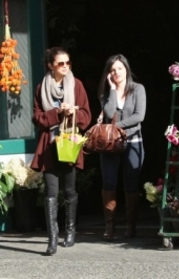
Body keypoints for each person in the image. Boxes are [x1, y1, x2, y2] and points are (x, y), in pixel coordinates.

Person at [31, 47, 92, 255]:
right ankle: (52, 238)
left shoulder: (77, 86)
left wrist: (73, 111)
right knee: (50, 192)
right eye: (60, 63)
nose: (65, 66)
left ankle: (71, 231)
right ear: (51, 66)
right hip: (49, 144)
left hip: (69, 143)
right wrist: (57, 113)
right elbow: (37, 118)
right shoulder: (41, 88)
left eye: (68, 63)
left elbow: (86, 115)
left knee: (69, 191)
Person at [97, 54, 146, 241]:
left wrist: (117, 127)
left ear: (126, 69)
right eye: (112, 70)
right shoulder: (106, 93)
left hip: (133, 142)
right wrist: (112, 90)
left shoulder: (137, 89)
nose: (116, 72)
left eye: (119, 68)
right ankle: (109, 226)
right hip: (110, 145)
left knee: (131, 184)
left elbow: (139, 116)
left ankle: (131, 226)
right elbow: (109, 113)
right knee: (109, 184)